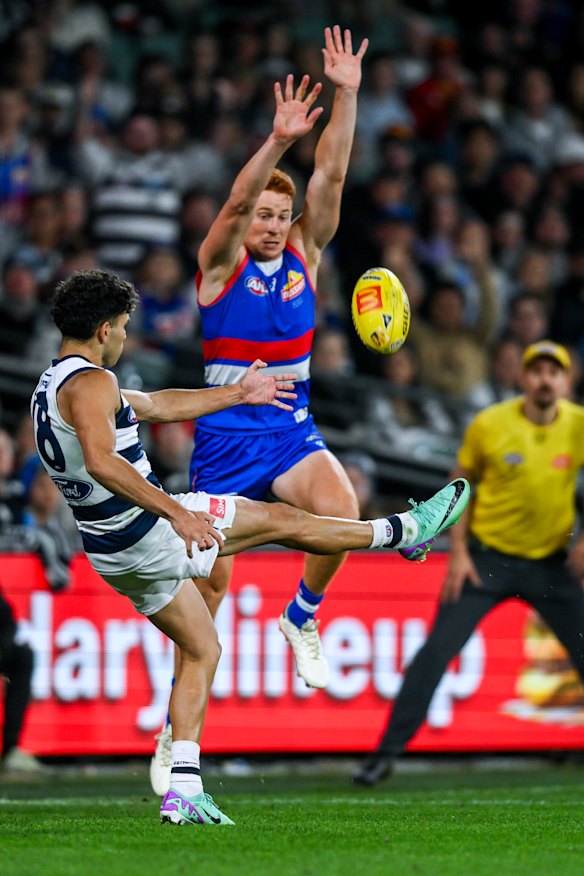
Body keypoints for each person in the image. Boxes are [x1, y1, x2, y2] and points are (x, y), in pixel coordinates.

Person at [33, 268, 470, 824]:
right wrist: (176, 513)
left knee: (203, 649)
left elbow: (157, 406)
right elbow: (102, 460)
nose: (123, 337)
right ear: (102, 330)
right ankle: (401, 532)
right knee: (284, 519)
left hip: (112, 552)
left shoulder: (53, 384)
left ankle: (184, 787)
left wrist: (239, 392)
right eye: (121, 327)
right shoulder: (92, 383)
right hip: (149, 531)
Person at [191, 26, 368, 692]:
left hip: (290, 434)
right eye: (262, 214)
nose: (269, 223)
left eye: (279, 214)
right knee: (206, 601)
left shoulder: (306, 255)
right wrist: (279, 140)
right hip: (224, 448)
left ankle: (302, 616)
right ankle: (175, 732)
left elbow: (335, 172)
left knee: (342, 515)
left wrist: (346, 95)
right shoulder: (217, 269)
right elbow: (235, 201)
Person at [353, 339, 584, 786]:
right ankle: (382, 755)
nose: (544, 379)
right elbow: (459, 486)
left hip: (550, 564)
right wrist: (456, 552)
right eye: (536, 371)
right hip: (486, 560)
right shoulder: (490, 424)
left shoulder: (577, 425)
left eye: (553, 372)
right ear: (521, 378)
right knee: (436, 653)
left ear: (566, 381)